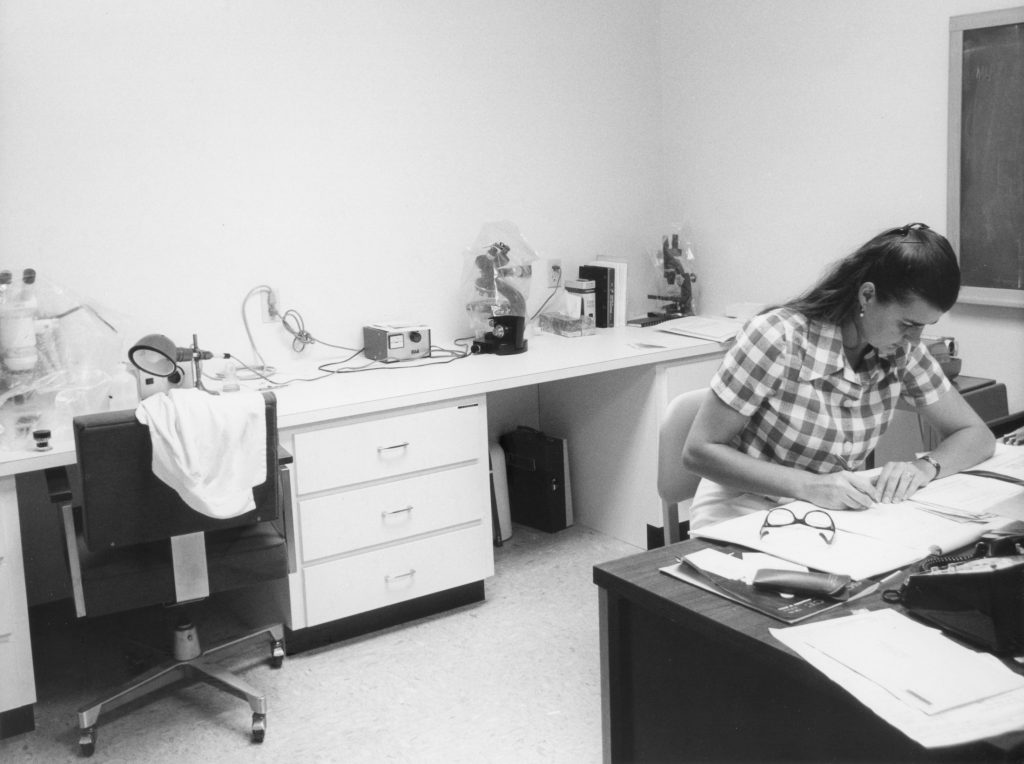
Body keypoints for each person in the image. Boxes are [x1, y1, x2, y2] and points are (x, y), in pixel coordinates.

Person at [682, 223, 995, 531]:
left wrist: (923, 468)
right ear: (867, 295)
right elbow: (699, 451)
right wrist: (810, 486)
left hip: (825, 516)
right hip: (741, 513)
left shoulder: (901, 351)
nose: (915, 338)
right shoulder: (778, 338)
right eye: (907, 324)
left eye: (925, 326)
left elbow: (976, 434)